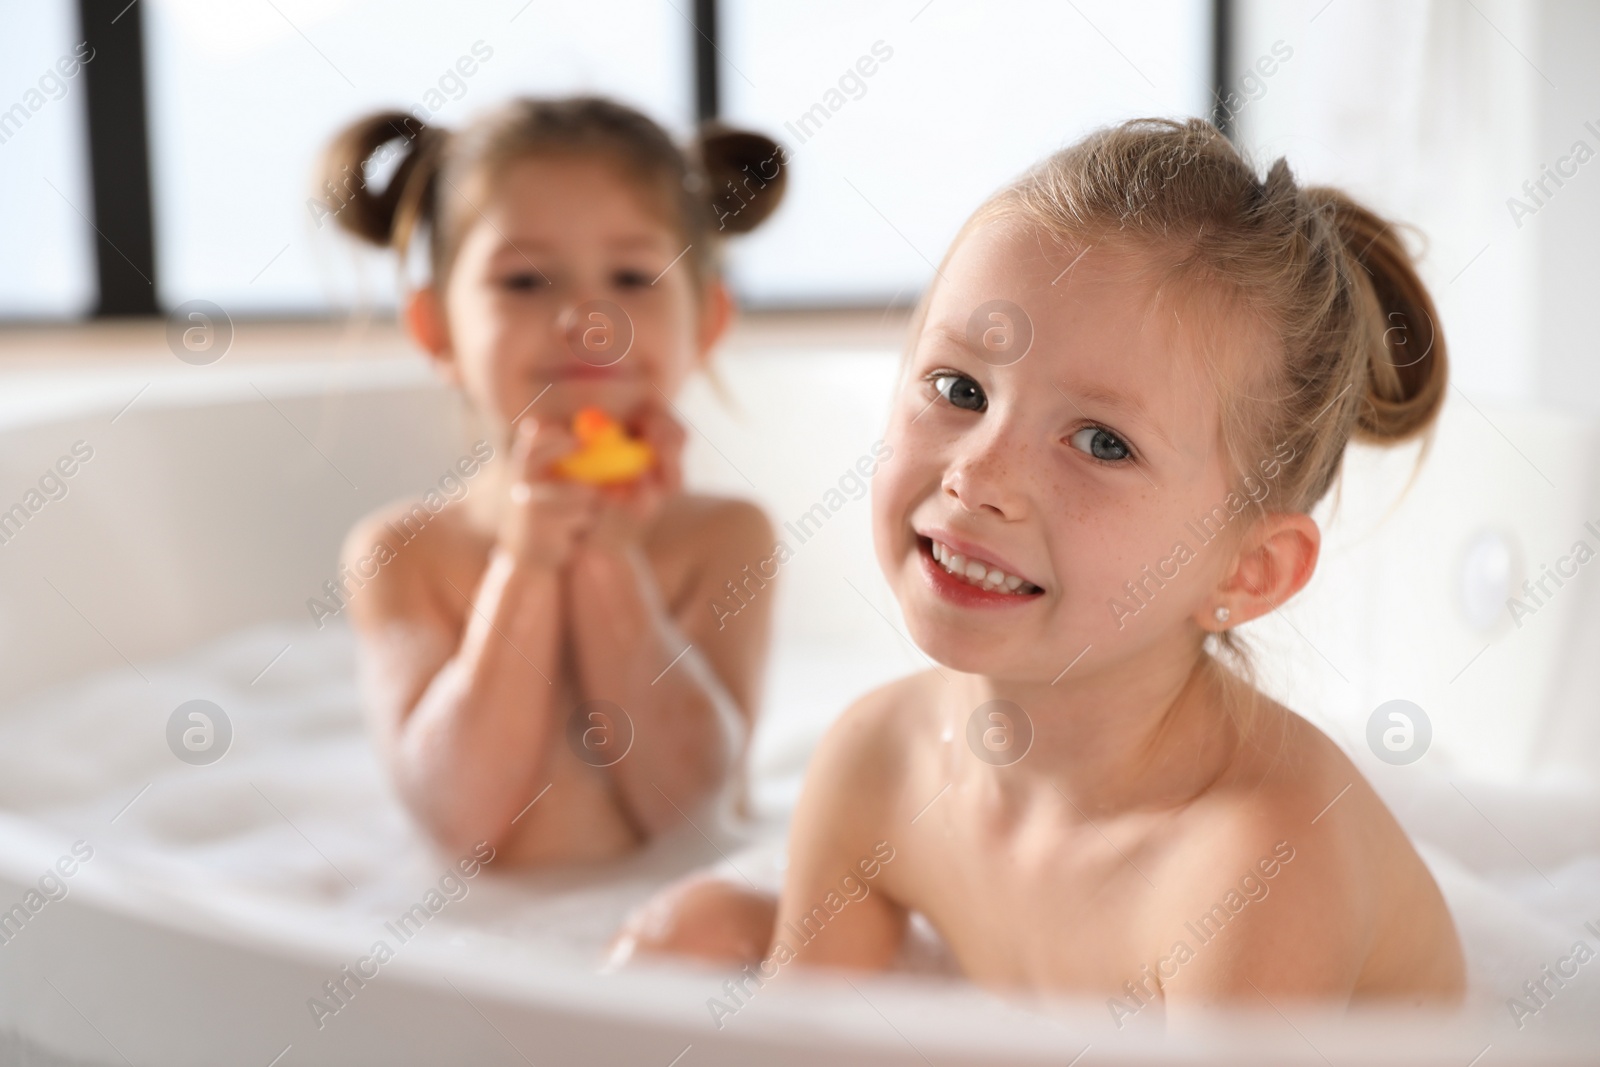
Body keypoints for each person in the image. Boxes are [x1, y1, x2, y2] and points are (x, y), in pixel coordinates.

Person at [613, 117, 1466, 1018]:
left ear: (1248, 572)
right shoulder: (880, 762)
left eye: (1101, 442)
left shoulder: (1256, 865)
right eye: (959, 388)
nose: (977, 475)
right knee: (685, 933)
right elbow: (800, 1041)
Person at [324, 97, 786, 866]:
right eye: (526, 280)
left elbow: (690, 810)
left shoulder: (725, 538)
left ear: (705, 322)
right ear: (437, 328)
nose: (587, 317)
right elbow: (457, 821)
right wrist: (527, 566)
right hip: (477, 947)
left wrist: (609, 557)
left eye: (634, 274)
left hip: (672, 949)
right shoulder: (404, 553)